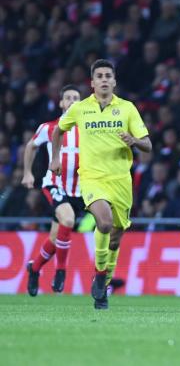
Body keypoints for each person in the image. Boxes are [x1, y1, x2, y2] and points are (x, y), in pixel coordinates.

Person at [50, 60, 152, 309]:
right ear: (92, 82)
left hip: (121, 181)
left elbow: (148, 145)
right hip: (92, 178)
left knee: (115, 238)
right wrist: (55, 158)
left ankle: (103, 286)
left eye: (108, 75)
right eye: (99, 76)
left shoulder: (127, 109)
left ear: (114, 81)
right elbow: (57, 131)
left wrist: (134, 141)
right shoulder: (80, 109)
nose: (104, 79)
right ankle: (99, 274)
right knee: (104, 223)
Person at [22, 85, 82, 296]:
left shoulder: (89, 130)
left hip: (80, 190)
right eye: (68, 98)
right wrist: (27, 173)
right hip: (55, 184)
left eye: (76, 98)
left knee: (56, 238)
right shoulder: (49, 127)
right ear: (61, 103)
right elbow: (31, 146)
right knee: (68, 220)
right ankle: (61, 271)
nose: (72, 101)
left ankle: (34, 267)